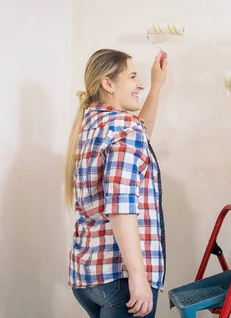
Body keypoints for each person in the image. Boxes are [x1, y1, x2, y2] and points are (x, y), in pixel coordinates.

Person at [64, 48, 168, 318]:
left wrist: (157, 87)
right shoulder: (124, 129)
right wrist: (137, 276)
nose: (141, 84)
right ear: (108, 84)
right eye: (133, 77)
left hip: (88, 276)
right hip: (120, 279)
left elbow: (140, 132)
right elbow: (121, 205)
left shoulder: (91, 124)